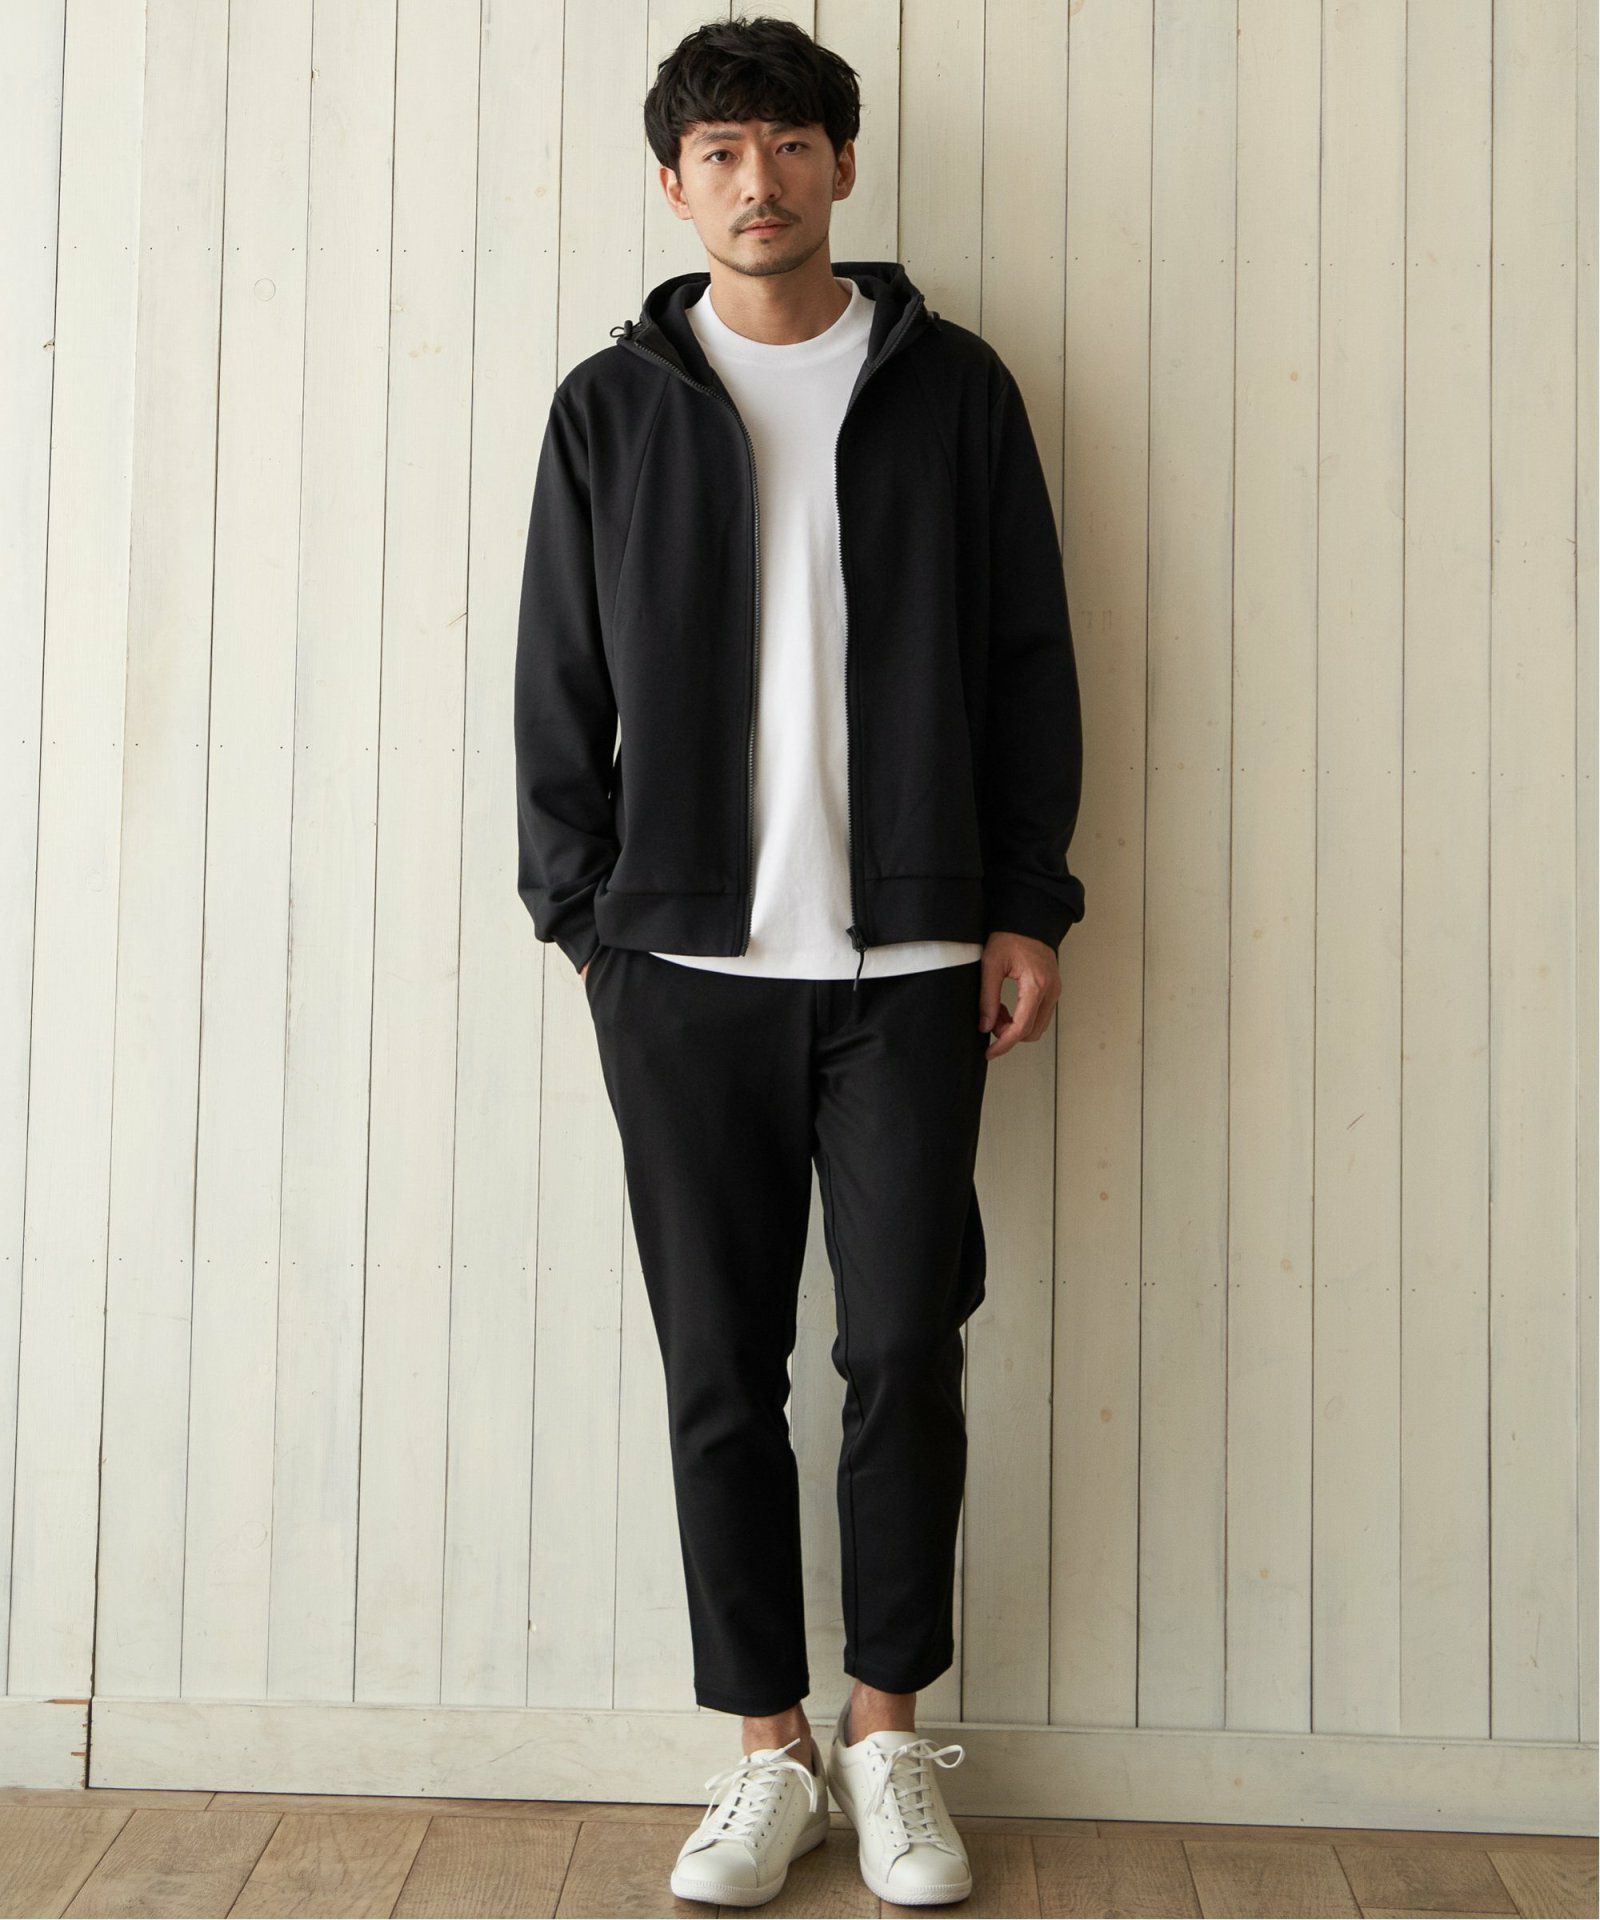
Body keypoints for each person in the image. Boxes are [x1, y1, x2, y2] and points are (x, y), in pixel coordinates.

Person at [514, 14, 1085, 1908]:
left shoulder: (955, 388)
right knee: (718, 1369)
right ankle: (766, 1752)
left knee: (903, 1349)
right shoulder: (613, 408)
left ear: (841, 163)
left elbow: (1027, 659)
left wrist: (1026, 902)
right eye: (720, 152)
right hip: (682, 967)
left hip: (911, 957)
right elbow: (556, 683)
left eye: (787, 143)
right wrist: (588, 923)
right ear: (674, 186)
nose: (756, 180)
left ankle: (888, 1735)